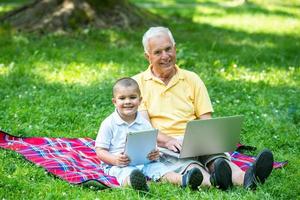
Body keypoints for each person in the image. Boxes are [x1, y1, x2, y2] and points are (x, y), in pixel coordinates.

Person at [133, 27, 274, 190]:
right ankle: (214, 182)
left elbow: (206, 119)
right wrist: (170, 141)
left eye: (168, 49)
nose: (165, 56)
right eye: (158, 52)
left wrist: (210, 139)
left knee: (218, 159)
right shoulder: (137, 84)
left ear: (175, 48)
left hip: (195, 138)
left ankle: (247, 178)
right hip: (166, 145)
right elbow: (144, 128)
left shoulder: (192, 79)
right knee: (192, 167)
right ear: (147, 56)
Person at [95, 77, 203, 192]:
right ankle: (136, 183)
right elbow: (100, 150)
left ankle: (184, 180)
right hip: (118, 164)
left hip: (143, 161)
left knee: (160, 169)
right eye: (122, 98)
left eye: (132, 97)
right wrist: (114, 160)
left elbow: (150, 143)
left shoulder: (143, 122)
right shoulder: (109, 123)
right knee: (127, 174)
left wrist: (154, 153)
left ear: (140, 100)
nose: (128, 102)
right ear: (114, 102)